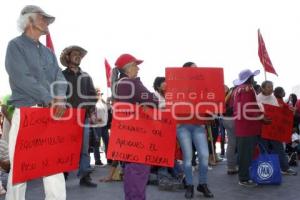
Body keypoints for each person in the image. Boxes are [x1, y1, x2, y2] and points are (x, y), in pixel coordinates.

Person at [5, 5, 67, 199]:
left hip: (49, 113)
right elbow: (22, 78)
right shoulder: (15, 46)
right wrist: (50, 99)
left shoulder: (49, 53)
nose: (47, 22)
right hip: (26, 112)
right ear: (30, 20)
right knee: (20, 168)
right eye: (43, 18)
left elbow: (60, 78)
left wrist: (60, 98)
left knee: (54, 166)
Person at [112, 53, 159, 200]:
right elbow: (154, 100)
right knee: (139, 172)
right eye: (135, 65)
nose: (138, 68)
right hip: (138, 135)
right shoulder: (131, 83)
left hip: (129, 134)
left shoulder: (121, 84)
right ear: (128, 68)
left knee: (132, 172)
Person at [60, 45, 98, 187]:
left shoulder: (86, 76)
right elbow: (56, 94)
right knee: (64, 146)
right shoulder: (61, 76)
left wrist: (87, 107)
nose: (78, 56)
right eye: (74, 54)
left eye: (79, 55)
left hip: (83, 118)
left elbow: (93, 95)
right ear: (67, 57)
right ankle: (62, 175)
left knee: (84, 147)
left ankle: (85, 176)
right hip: (65, 118)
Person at [176, 62, 214, 199]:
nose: (197, 70)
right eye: (194, 68)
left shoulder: (202, 86)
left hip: (199, 124)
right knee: (188, 158)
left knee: (204, 155)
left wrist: (210, 114)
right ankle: (190, 185)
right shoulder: (177, 85)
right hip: (182, 125)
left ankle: (202, 184)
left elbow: (209, 102)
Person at [233, 69, 268, 187]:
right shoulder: (247, 89)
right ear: (249, 78)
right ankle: (244, 179)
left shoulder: (239, 89)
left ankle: (243, 176)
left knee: (244, 153)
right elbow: (248, 109)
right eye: (252, 77)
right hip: (248, 126)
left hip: (243, 126)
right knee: (246, 154)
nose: (254, 79)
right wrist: (261, 118)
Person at [256, 80, 297, 176]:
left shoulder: (273, 98)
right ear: (263, 88)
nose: (271, 89)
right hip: (263, 130)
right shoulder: (257, 98)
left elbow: (279, 112)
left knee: (280, 149)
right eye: (269, 87)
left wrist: (290, 111)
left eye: (272, 87)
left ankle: (285, 168)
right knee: (264, 150)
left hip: (274, 130)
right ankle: (265, 171)